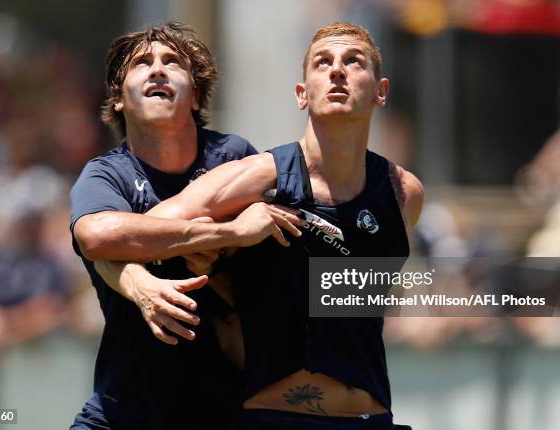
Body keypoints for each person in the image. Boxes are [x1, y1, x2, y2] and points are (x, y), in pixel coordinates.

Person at [118, 22, 424, 429]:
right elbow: (133, 234)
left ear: (380, 90)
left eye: (353, 62)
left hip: (373, 418)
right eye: (323, 63)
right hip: (278, 419)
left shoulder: (403, 193)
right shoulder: (261, 177)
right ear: (302, 94)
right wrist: (217, 241)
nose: (337, 71)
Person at [69, 22, 301, 430]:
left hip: (225, 412)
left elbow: (271, 281)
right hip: (121, 412)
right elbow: (97, 236)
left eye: (172, 62)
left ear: (195, 96)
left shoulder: (234, 157)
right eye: (142, 64)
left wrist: (208, 265)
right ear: (118, 99)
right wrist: (227, 235)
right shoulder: (105, 175)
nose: (157, 70)